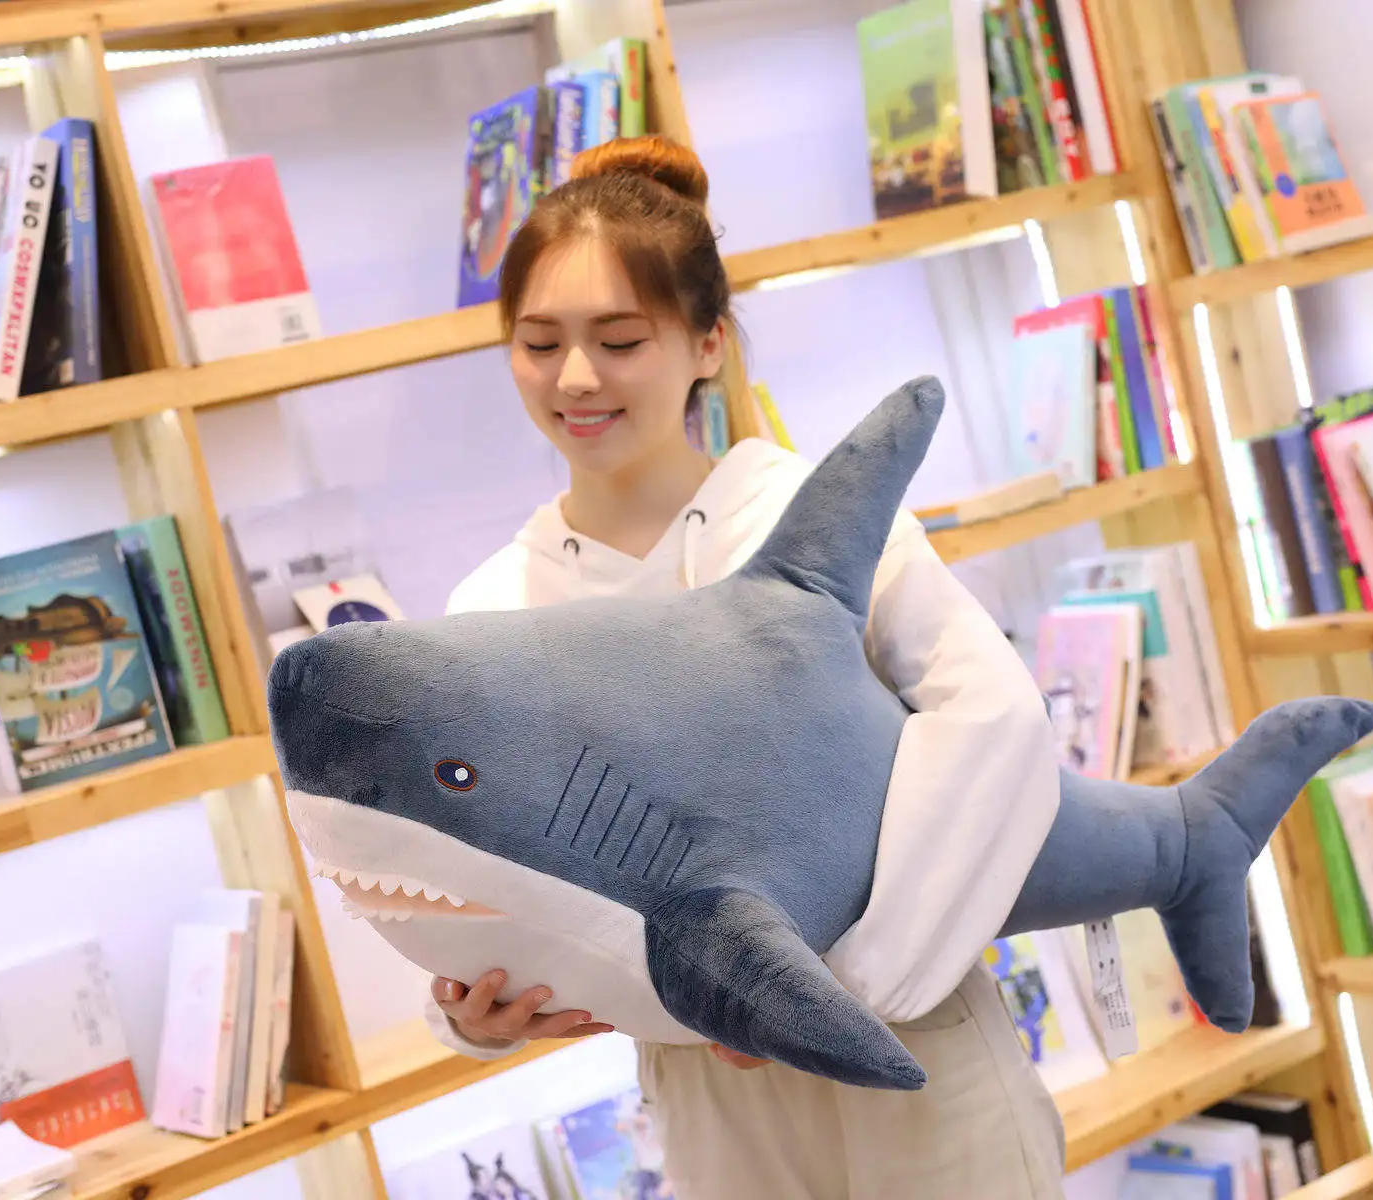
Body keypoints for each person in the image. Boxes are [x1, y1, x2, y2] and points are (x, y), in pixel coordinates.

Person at [412, 132, 1068, 1198]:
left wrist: (845, 987)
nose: (575, 377)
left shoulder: (813, 515)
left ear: (708, 341)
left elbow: (995, 724)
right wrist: (471, 1017)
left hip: (914, 1050)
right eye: (538, 343)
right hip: (709, 1096)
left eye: (621, 340)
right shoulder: (490, 609)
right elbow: (477, 873)